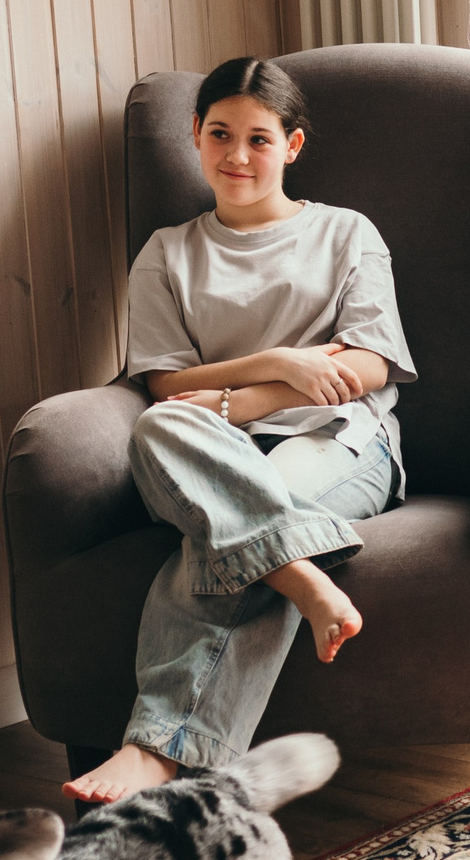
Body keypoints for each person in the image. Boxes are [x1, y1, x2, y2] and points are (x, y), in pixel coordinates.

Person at [63, 57, 416, 804]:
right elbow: (163, 384)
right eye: (219, 134)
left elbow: (371, 365)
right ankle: (300, 573)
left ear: (291, 146)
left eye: (259, 139)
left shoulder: (345, 233)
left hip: (340, 441)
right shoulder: (168, 252)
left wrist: (250, 394)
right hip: (210, 444)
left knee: (229, 526)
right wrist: (280, 364)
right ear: (194, 135)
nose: (237, 156)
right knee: (158, 426)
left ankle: (156, 750)